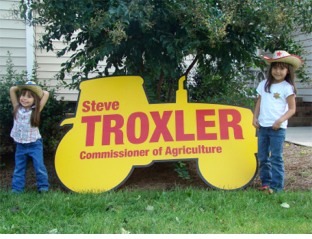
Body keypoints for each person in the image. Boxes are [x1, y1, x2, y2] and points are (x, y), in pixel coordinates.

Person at [253, 50, 303, 194]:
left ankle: (276, 187)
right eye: (275, 67)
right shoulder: (264, 84)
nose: (278, 71)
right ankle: (266, 183)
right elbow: (259, 102)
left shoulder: (287, 88)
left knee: (276, 157)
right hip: (263, 127)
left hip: (277, 128)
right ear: (271, 69)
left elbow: (292, 109)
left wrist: (279, 120)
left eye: (282, 68)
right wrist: (255, 117)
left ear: (288, 71)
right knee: (263, 156)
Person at [10, 81, 50, 193]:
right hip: (20, 145)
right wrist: (20, 87)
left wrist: (36, 89)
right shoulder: (16, 107)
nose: (25, 99)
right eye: (23, 95)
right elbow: (12, 90)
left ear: (35, 99)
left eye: (29, 97)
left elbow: (46, 94)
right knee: (19, 168)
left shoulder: (36, 110)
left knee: (39, 167)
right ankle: (17, 189)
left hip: (34, 144)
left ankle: (43, 187)